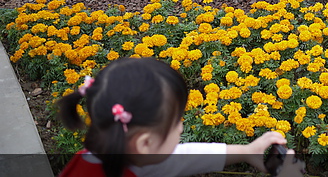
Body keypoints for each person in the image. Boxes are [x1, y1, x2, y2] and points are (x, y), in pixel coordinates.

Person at [57, 57, 305, 177]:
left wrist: (246, 151)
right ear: (145, 144)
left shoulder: (103, 157)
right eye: (177, 120)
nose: (181, 126)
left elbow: (178, 158)